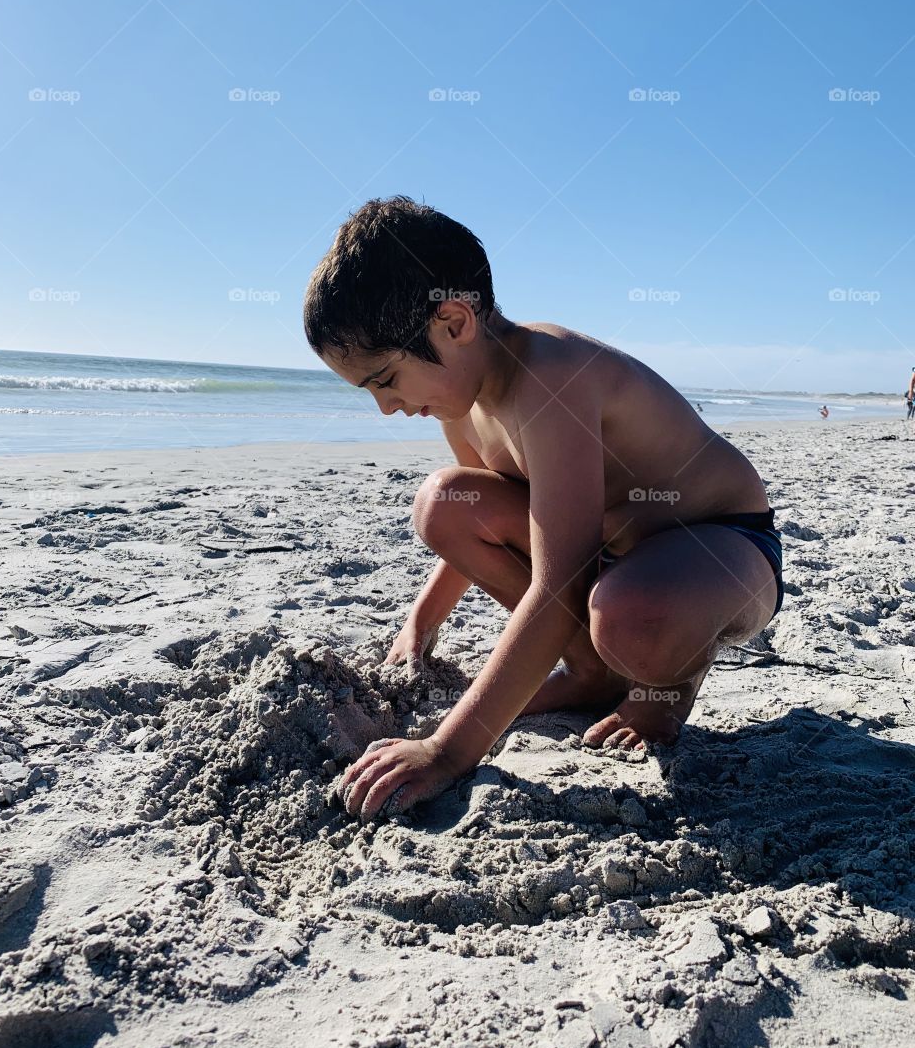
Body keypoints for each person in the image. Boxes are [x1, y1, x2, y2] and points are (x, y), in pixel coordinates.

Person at [303, 196, 784, 820]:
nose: (387, 408)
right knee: (443, 502)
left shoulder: (551, 375)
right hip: (615, 559)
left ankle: (663, 690)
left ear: (454, 322)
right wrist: (422, 621)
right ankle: (593, 672)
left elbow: (561, 582)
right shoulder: (466, 406)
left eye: (386, 379)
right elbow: (493, 522)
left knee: (628, 614)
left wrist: (447, 752)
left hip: (721, 550)